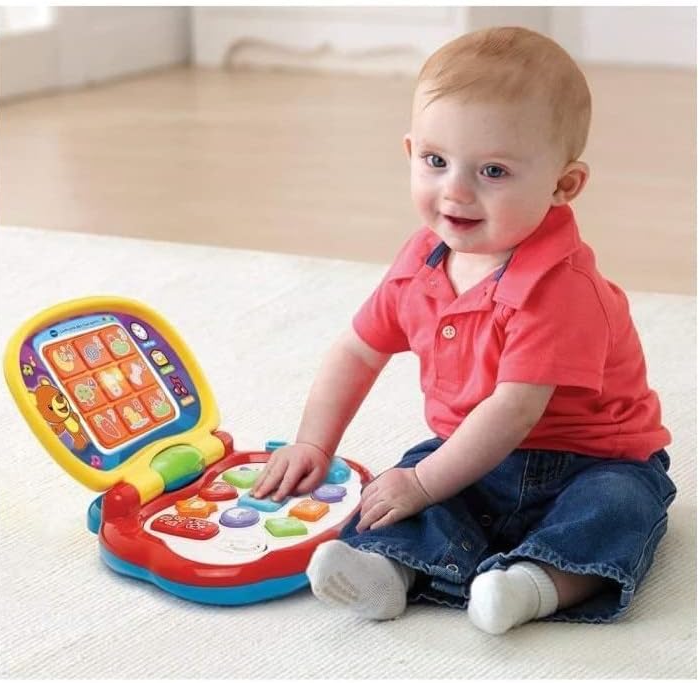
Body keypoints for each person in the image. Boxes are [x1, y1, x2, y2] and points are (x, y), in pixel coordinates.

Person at [251, 26, 676, 634]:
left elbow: (514, 410)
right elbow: (357, 350)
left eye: (493, 171)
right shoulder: (421, 263)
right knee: (399, 493)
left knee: (616, 511)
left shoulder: (560, 287)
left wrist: (425, 484)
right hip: (470, 449)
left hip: (594, 459)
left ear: (563, 186)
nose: (455, 190)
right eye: (435, 161)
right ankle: (387, 570)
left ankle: (534, 585)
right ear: (410, 151)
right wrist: (315, 444)